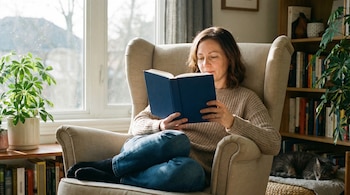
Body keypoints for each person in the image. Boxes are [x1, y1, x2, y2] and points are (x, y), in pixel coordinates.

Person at [67, 26, 281, 192]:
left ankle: (118, 176)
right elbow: (136, 125)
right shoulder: (182, 89)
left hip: (183, 167)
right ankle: (111, 166)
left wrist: (231, 122)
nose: (205, 63)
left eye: (213, 57)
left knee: (190, 173)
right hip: (150, 150)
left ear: (229, 58)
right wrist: (159, 125)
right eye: (200, 57)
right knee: (178, 139)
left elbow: (272, 142)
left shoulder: (245, 98)